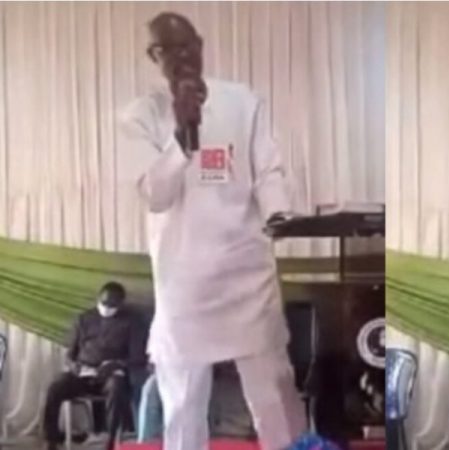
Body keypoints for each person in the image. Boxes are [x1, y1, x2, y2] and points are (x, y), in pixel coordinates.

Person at [118, 12, 305, 450]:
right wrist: (183, 135)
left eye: (189, 46)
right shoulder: (137, 117)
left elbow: (268, 170)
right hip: (184, 279)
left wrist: (279, 214)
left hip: (246, 270)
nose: (183, 57)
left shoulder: (242, 101)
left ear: (201, 46)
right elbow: (155, 195)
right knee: (183, 403)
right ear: (153, 56)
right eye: (169, 49)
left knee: (275, 395)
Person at [43, 282, 146, 450]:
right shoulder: (84, 319)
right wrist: (74, 366)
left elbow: (138, 358)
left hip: (111, 375)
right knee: (55, 387)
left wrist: (116, 364)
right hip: (83, 373)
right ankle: (51, 439)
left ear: (120, 304)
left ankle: (110, 441)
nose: (106, 308)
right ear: (98, 299)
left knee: (117, 386)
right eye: (104, 303)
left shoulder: (132, 322)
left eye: (112, 306)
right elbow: (70, 354)